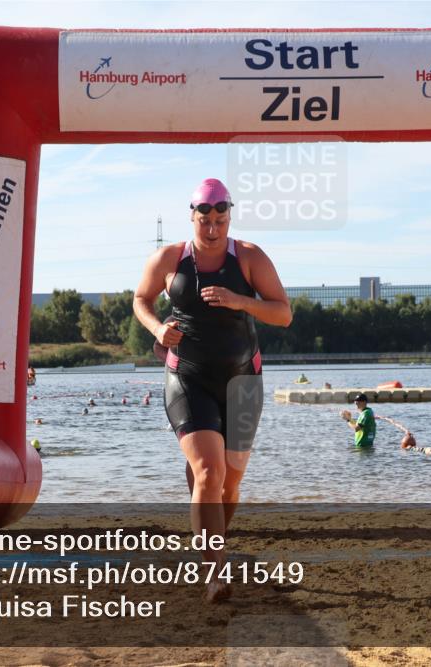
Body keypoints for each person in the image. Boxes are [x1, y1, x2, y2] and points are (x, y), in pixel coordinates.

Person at [132, 177, 291, 603]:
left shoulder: (249, 258)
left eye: (221, 219)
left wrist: (242, 302)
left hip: (243, 381)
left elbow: (283, 314)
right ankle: (214, 572)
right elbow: (141, 300)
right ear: (193, 217)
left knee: (229, 485)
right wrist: (157, 327)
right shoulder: (170, 258)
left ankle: (212, 534)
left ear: (228, 218)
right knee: (208, 471)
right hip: (188, 377)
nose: (214, 227)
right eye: (206, 219)